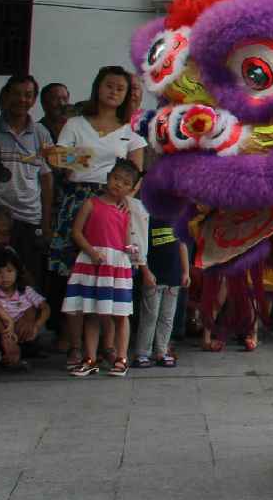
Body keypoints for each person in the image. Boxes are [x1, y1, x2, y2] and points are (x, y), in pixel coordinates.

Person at [49, 66, 145, 369]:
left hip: (115, 206)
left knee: (109, 275)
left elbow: (137, 175)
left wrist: (123, 203)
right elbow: (57, 161)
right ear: (97, 87)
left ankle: (107, 347)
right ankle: (75, 346)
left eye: (120, 88)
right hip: (79, 200)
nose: (114, 92)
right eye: (109, 86)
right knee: (76, 275)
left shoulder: (130, 131)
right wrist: (79, 157)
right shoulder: (76, 123)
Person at [65, 159, 148, 377]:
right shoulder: (91, 204)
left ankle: (121, 358)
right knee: (91, 312)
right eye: (116, 178)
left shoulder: (126, 210)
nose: (118, 184)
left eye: (125, 182)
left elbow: (126, 240)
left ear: (132, 188)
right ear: (108, 177)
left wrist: (132, 250)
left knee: (120, 314)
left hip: (117, 264)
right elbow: (77, 232)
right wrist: (91, 252)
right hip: (93, 261)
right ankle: (89, 358)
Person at [0, 74, 54, 294]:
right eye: (15, 93)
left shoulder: (40, 133)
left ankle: (28, 323)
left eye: (28, 95)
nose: (21, 99)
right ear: (5, 95)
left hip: (29, 217)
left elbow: (47, 177)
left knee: (29, 276)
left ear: (34, 100)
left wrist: (45, 222)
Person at [0, 248, 48, 374]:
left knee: (26, 334)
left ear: (17, 272)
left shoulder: (25, 291)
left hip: (18, 332)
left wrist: (36, 326)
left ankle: (18, 360)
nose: (5, 276)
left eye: (9, 271)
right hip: (1, 330)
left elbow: (45, 308)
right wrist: (7, 319)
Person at [133, 211, 188, 368]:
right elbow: (136, 245)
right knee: (149, 316)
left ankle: (161, 352)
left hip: (173, 278)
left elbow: (182, 244)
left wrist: (185, 272)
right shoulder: (146, 217)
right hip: (153, 277)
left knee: (167, 317)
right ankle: (142, 353)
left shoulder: (178, 217)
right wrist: (145, 271)